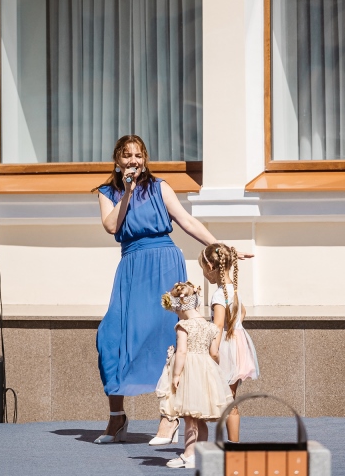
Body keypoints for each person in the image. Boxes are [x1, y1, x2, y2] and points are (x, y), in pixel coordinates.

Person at [93, 135, 221, 444]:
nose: (133, 160)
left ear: (145, 159)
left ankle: (171, 417)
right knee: (110, 338)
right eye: (127, 155)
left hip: (164, 262)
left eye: (138, 155)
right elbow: (112, 226)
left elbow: (186, 220)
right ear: (117, 160)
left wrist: (218, 246)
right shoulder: (107, 192)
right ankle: (117, 418)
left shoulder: (160, 187)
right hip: (132, 266)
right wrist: (126, 192)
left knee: (172, 338)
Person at [155, 281, 233, 469]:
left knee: (190, 416)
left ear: (180, 307)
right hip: (205, 370)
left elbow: (181, 352)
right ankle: (200, 454)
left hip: (189, 372)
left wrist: (176, 375)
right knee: (200, 417)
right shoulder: (209, 326)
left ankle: (189, 455)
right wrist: (213, 371)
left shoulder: (184, 326)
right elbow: (214, 352)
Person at [198, 243, 259, 442]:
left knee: (212, 398)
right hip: (237, 346)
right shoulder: (234, 291)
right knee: (230, 399)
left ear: (210, 268)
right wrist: (236, 328)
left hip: (223, 348)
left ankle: (198, 444)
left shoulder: (218, 296)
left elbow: (217, 325)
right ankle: (234, 443)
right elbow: (242, 312)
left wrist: (213, 351)